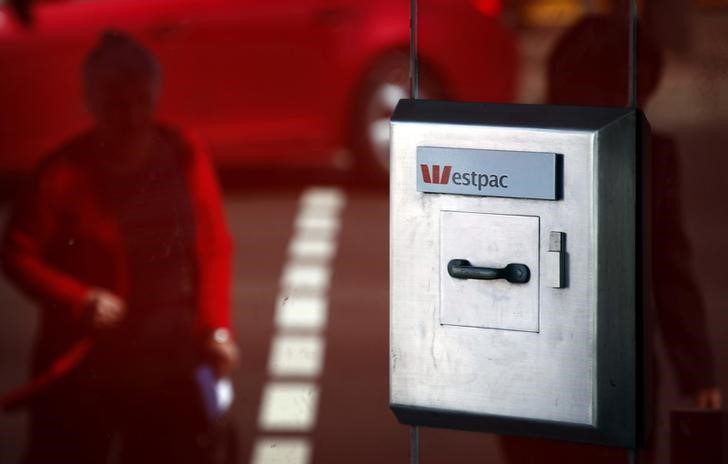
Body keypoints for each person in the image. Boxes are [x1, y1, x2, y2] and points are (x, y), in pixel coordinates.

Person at [1, 30, 239, 463]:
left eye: (138, 101)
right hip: (90, 364)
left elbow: (213, 247)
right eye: (114, 105)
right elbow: (16, 253)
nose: (129, 116)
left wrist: (216, 329)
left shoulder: (184, 152)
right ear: (91, 103)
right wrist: (80, 299)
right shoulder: (61, 174)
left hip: (170, 358)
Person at [499, 14, 721, 464]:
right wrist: (697, 374)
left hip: (530, 380)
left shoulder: (522, 151)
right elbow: (669, 273)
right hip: (619, 381)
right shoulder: (649, 157)